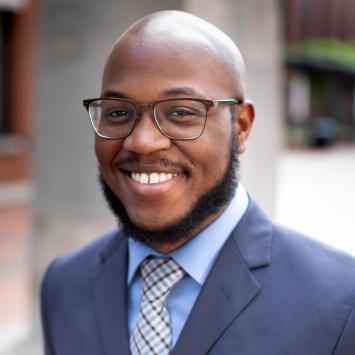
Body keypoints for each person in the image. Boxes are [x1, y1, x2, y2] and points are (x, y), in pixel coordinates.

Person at [41, 10, 355, 355]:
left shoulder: (340, 301)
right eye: (118, 112)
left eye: (180, 112)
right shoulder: (64, 285)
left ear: (242, 126)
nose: (142, 142)